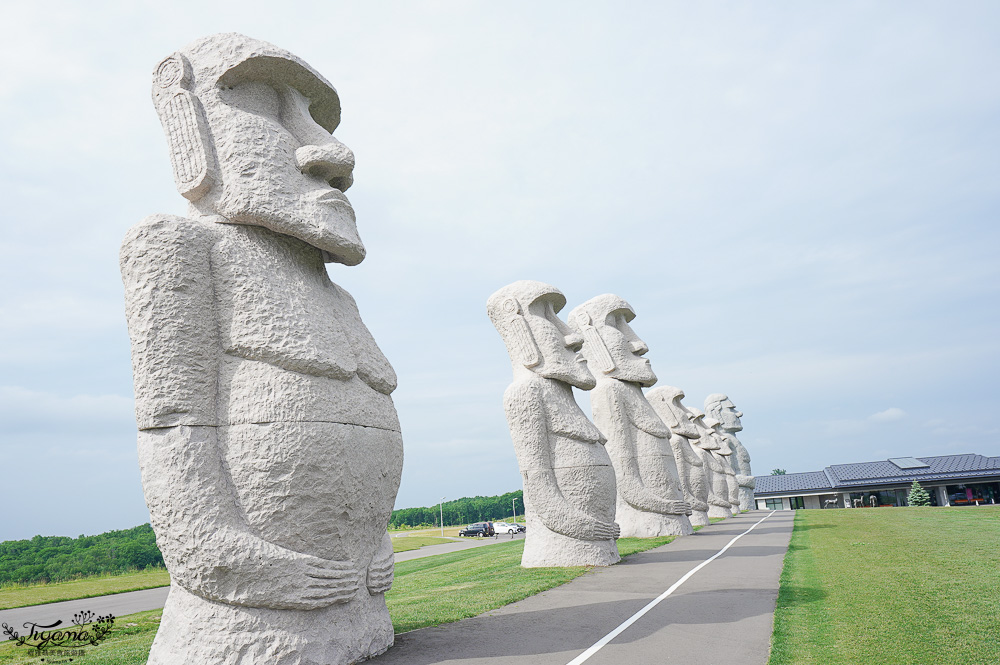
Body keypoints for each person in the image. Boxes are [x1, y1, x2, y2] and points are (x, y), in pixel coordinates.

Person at [121, 34, 401, 665]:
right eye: (267, 106)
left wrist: (372, 546)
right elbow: (174, 433)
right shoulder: (179, 248)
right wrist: (238, 563)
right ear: (190, 124)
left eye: (318, 120)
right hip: (252, 621)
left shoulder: (339, 299)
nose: (334, 153)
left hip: (356, 598)